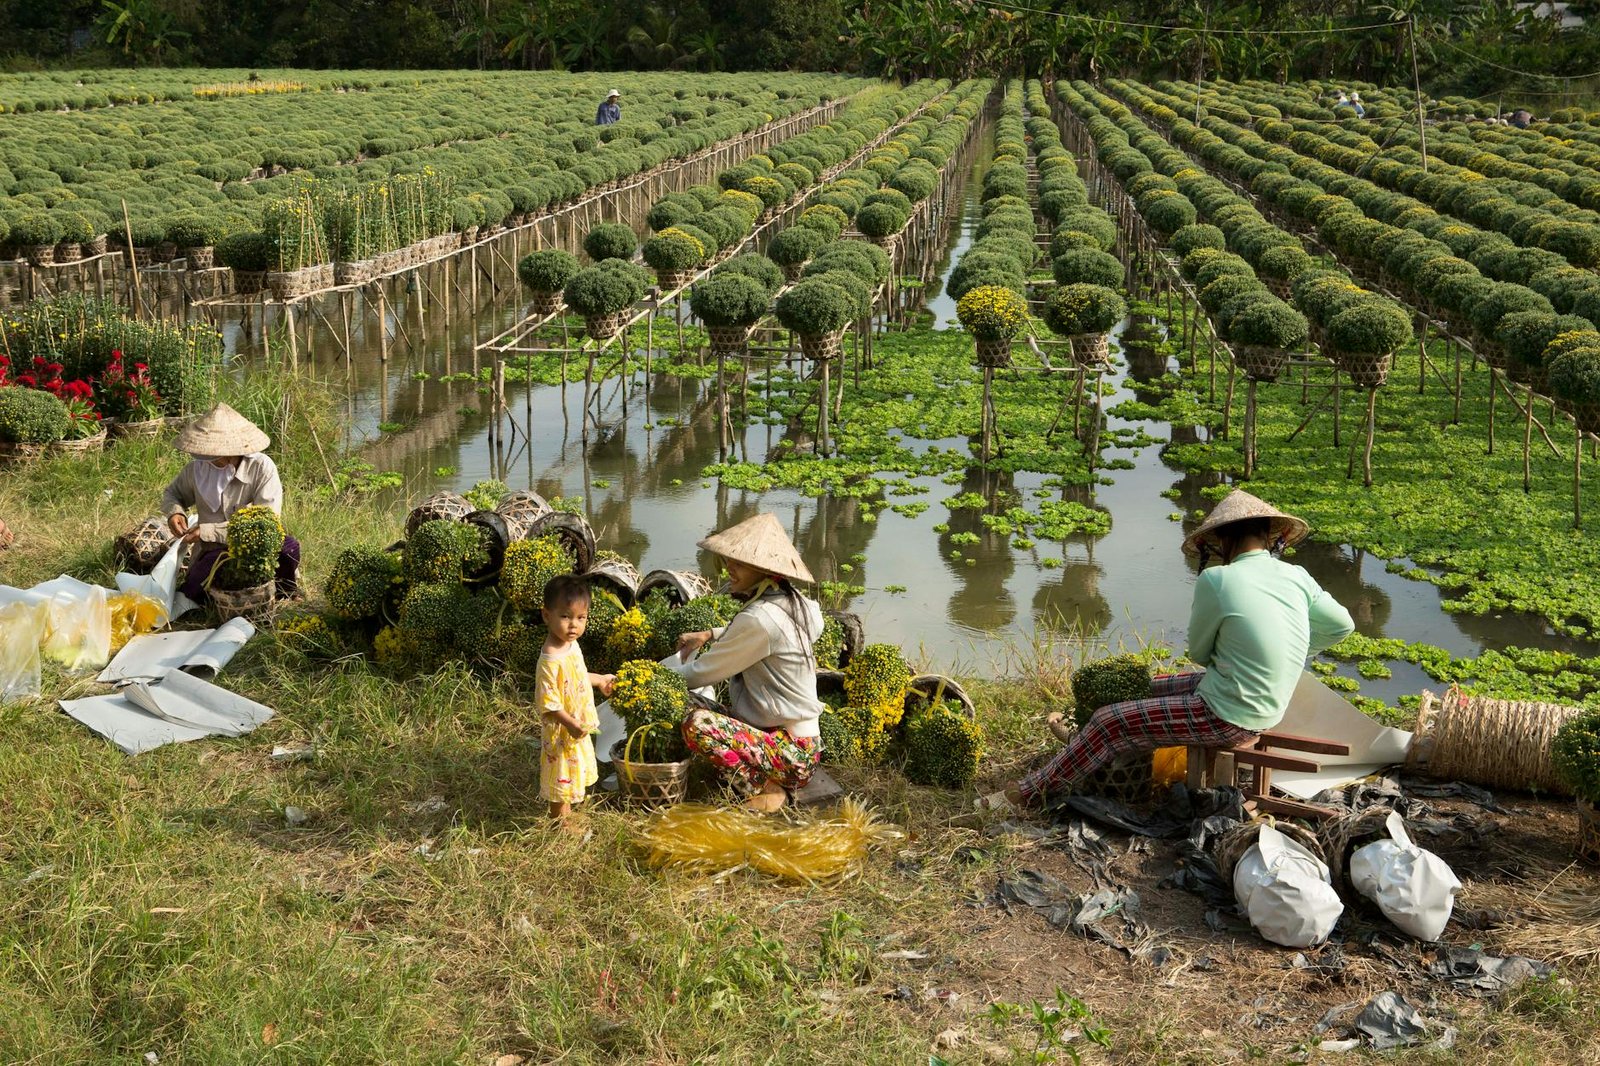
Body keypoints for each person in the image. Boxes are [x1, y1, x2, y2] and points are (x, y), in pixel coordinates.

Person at [979, 491, 1355, 812]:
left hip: (1226, 715)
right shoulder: (1297, 576)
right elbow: (1342, 625)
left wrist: (1241, 653)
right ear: (1269, 537)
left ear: (1223, 541)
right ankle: (1080, 759)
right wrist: (1296, 649)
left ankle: (1028, 794)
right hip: (1264, 705)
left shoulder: (1218, 579)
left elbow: (1199, 652)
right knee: (1148, 685)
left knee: (1110, 721)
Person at [674, 512, 824, 812]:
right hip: (793, 741)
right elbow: (776, 636)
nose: (729, 567)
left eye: (739, 562)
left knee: (696, 722)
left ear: (764, 570)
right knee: (682, 703)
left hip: (791, 751)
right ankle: (762, 776)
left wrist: (654, 677)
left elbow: (701, 673)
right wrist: (710, 633)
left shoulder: (759, 618)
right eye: (729, 559)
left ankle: (766, 788)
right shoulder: (803, 605)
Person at [160, 403, 301, 602]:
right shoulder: (196, 469)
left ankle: (285, 592)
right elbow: (172, 493)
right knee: (192, 594)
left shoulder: (262, 468)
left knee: (289, 548)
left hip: (254, 548)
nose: (209, 458)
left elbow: (265, 524)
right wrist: (175, 513)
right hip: (212, 552)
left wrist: (207, 531)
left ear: (231, 451)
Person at [536, 574, 616, 822]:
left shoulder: (571, 646)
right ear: (546, 615)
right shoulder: (549, 660)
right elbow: (549, 705)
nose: (574, 625)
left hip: (577, 725)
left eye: (581, 618)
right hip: (562, 730)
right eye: (565, 616)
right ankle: (559, 820)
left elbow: (578, 676)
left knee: (572, 769)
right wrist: (569, 723)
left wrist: (600, 679)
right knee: (560, 770)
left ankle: (567, 812)